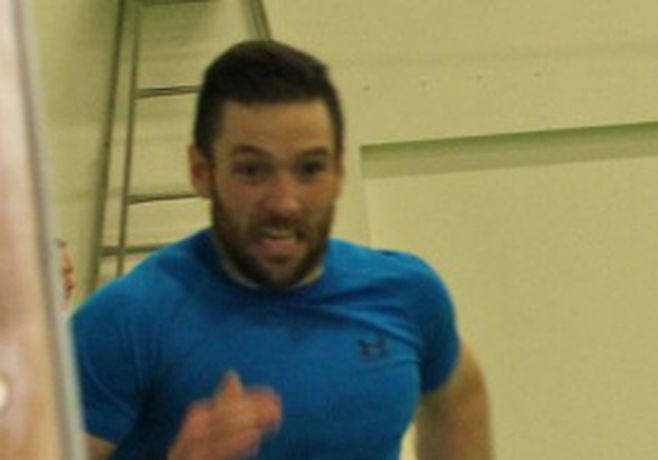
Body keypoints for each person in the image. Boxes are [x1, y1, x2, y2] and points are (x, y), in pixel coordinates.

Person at [72, 40, 493, 460]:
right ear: (202, 171)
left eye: (310, 169)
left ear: (339, 171)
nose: (284, 203)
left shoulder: (406, 295)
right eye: (252, 170)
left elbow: (461, 394)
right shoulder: (127, 321)